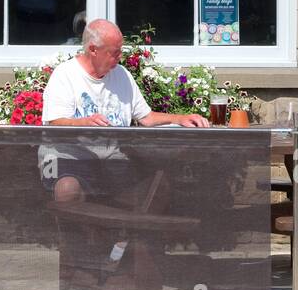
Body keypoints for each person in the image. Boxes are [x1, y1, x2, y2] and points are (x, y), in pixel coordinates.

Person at [42, 19, 209, 203]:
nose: (120, 57)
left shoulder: (121, 75)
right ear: (92, 49)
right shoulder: (66, 74)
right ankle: (81, 231)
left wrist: (180, 118)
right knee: (68, 189)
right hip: (70, 157)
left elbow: (146, 117)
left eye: (121, 51)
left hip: (111, 160)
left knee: (156, 191)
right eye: (114, 52)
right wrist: (84, 123)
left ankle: (127, 230)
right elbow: (54, 123)